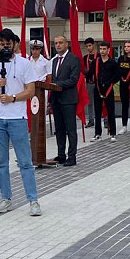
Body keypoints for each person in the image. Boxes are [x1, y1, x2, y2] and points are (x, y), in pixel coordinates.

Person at [0, 28, 41, 215]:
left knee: (25, 161)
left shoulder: (24, 64)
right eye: (2, 43)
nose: (5, 46)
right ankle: (6, 198)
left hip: (17, 119)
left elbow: (31, 90)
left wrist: (13, 97)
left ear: (15, 44)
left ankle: (33, 200)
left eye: (8, 43)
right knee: (0, 163)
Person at [49, 35, 80, 166]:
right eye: (56, 43)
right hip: (57, 100)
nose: (58, 45)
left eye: (61, 43)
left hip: (68, 99)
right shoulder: (55, 60)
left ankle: (72, 156)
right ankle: (61, 154)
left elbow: (74, 79)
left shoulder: (73, 59)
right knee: (59, 129)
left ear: (66, 44)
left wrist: (58, 85)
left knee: (70, 129)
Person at [90, 41, 118, 141]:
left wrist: (110, 83)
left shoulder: (113, 62)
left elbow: (117, 76)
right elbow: (90, 73)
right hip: (98, 89)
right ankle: (98, 133)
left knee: (110, 111)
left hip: (108, 89)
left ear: (108, 50)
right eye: (101, 49)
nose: (102, 51)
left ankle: (113, 133)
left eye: (104, 49)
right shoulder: (96, 62)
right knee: (97, 112)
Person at [116, 41, 130, 134]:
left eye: (128, 46)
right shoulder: (121, 58)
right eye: (125, 46)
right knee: (124, 105)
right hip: (123, 84)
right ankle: (124, 126)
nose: (126, 48)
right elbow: (118, 70)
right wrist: (122, 78)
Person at [81, 38, 97, 127]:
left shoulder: (98, 56)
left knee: (100, 102)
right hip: (89, 82)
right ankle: (91, 119)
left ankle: (106, 119)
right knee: (90, 102)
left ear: (93, 45)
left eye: (90, 46)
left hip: (98, 82)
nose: (88, 48)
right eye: (87, 46)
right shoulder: (85, 58)